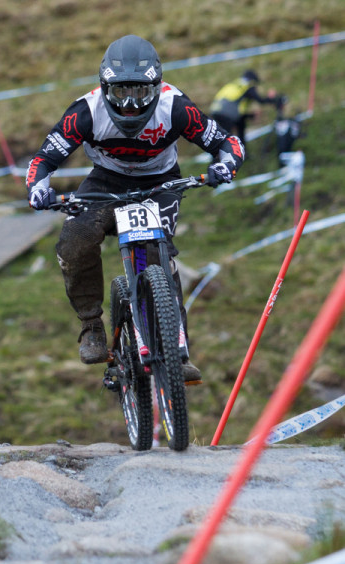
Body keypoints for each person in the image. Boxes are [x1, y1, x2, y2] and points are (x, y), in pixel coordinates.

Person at [26, 34, 245, 383]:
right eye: (120, 92)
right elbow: (44, 159)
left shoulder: (176, 108)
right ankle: (92, 326)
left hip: (160, 184)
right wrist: (38, 189)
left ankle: (176, 350)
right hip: (105, 183)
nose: (129, 104)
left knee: (158, 256)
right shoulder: (86, 111)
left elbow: (226, 142)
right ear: (104, 88)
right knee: (75, 240)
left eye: (140, 92)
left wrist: (225, 166)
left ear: (157, 88)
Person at [209, 70, 279, 145]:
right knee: (227, 140)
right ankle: (240, 154)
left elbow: (239, 114)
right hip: (226, 114)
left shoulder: (234, 84)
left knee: (221, 137)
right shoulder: (248, 86)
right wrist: (271, 98)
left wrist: (251, 116)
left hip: (215, 111)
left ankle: (237, 153)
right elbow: (260, 100)